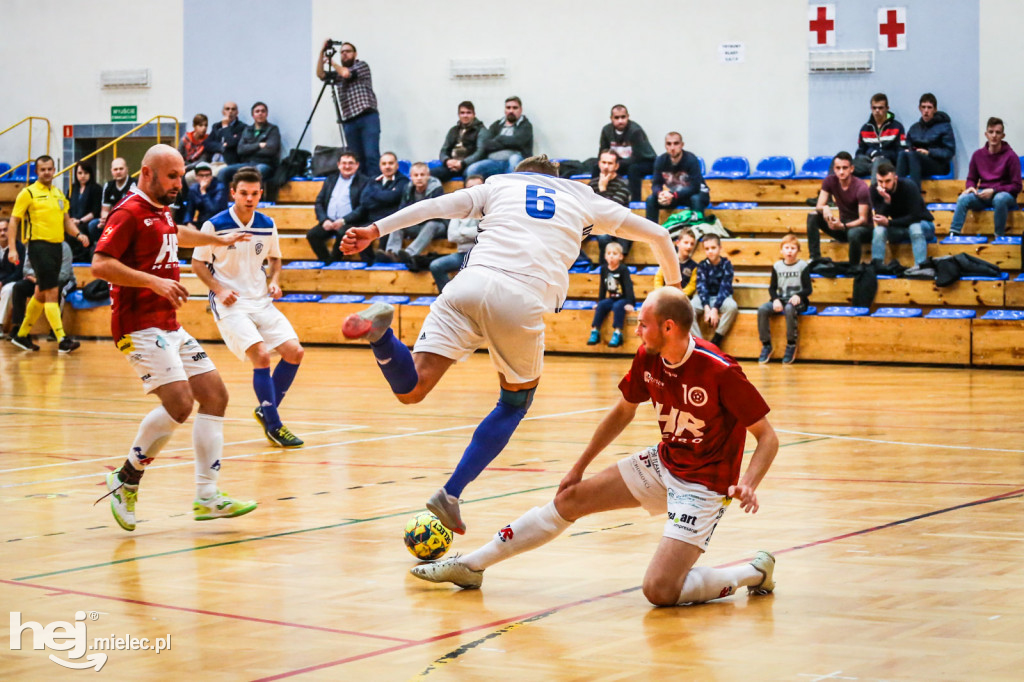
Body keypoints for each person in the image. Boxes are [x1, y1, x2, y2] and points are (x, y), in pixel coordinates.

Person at [339, 154, 682, 534]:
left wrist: (373, 230)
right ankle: (451, 492)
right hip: (520, 296)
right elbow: (661, 235)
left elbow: (433, 206)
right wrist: (674, 291)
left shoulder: (499, 184)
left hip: (468, 283)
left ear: (521, 175)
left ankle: (380, 334)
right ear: (555, 178)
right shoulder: (581, 196)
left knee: (413, 389)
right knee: (514, 402)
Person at [411, 288, 779, 609]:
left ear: (669, 328)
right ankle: (472, 565)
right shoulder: (648, 357)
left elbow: (767, 437)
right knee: (570, 499)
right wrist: (578, 467)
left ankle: (752, 572)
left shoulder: (719, 370)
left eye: (643, 324)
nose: (636, 330)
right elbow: (622, 412)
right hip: (665, 463)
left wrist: (748, 482)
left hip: (704, 486)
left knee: (660, 591)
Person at [91, 144, 257, 532]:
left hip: (167, 323)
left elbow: (171, 233)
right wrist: (153, 281)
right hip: (138, 323)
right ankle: (126, 479)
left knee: (215, 395)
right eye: (171, 176)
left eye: (181, 175)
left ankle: (207, 496)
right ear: (147, 173)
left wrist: (215, 242)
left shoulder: (159, 208)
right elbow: (100, 264)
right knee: (180, 404)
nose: (178, 183)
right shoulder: (129, 211)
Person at [192, 167, 305, 448]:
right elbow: (197, 264)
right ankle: (274, 425)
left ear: (260, 194)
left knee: (294, 352)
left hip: (261, 300)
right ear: (233, 193)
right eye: (244, 193)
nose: (249, 198)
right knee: (262, 356)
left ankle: (266, 409)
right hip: (231, 304)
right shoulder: (214, 225)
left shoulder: (266, 224)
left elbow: (275, 259)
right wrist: (219, 289)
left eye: (254, 194)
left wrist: (275, 281)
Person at [7, 155, 88, 352]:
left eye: (50, 169)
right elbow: (14, 221)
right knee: (52, 291)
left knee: (41, 294)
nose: (46, 172)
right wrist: (11, 248)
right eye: (42, 169)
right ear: (37, 172)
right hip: (38, 247)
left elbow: (66, 221)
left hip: (57, 247)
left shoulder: (59, 194)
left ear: (54, 170)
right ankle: (62, 339)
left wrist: (78, 235)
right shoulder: (28, 193)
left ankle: (21, 335)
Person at [317, 40, 380, 178]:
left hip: (367, 116)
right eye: (342, 52)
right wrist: (322, 52)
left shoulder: (361, 66)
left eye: (348, 51)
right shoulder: (338, 73)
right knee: (356, 159)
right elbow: (321, 75)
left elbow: (346, 74)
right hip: (349, 121)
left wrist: (331, 62)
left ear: (355, 54)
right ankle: (362, 191)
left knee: (371, 156)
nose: (344, 54)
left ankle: (375, 188)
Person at [950, 117, 1021, 237]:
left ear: (1003, 135)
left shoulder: (1011, 156)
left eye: (998, 132)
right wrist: (971, 187)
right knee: (963, 198)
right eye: (991, 132)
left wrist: (994, 190)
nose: (994, 135)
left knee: (999, 199)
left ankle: (999, 235)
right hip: (983, 195)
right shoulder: (977, 155)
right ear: (986, 134)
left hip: (1004, 195)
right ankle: (954, 234)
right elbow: (971, 178)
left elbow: (1016, 186)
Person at [806, 151, 872, 262]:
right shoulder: (829, 181)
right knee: (813, 216)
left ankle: (854, 266)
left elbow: (863, 220)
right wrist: (825, 208)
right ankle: (814, 257)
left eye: (845, 168)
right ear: (834, 169)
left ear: (851, 169)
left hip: (863, 230)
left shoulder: (861, 187)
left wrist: (842, 225)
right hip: (843, 227)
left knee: (853, 233)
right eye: (838, 168)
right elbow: (819, 206)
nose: (841, 172)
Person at [757, 234, 812, 365]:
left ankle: (791, 344)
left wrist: (799, 295)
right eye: (786, 248)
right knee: (763, 310)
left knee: (789, 308)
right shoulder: (777, 266)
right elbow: (772, 288)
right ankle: (766, 345)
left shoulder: (803, 266)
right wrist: (775, 299)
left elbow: (808, 289)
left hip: (797, 302)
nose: (789, 251)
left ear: (798, 251)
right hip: (781, 300)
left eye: (793, 248)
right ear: (781, 250)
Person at [306, 151, 368, 263]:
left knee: (343, 233)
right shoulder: (330, 180)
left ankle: (335, 262)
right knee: (312, 235)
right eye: (344, 163)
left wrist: (343, 221)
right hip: (329, 222)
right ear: (338, 164)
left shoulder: (364, 182)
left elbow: (363, 207)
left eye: (351, 163)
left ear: (357, 165)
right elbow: (319, 202)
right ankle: (326, 261)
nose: (347, 166)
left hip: (350, 222)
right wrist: (324, 220)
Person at [382, 162, 446, 268]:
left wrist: (414, 216)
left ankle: (410, 253)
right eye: (416, 175)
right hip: (416, 223)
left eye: (422, 175)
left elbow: (436, 214)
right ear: (411, 177)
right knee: (397, 222)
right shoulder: (408, 188)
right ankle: (392, 253)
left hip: (437, 225)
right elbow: (402, 210)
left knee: (432, 224)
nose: (419, 178)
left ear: (428, 176)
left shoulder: (436, 189)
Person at [870, 161, 935, 267]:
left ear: (895, 178)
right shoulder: (874, 189)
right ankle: (877, 267)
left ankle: (920, 267)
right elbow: (880, 218)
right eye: (880, 181)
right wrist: (886, 200)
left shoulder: (909, 186)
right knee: (878, 230)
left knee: (914, 228)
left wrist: (890, 223)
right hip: (899, 228)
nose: (883, 185)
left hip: (924, 225)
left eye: (887, 181)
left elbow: (915, 217)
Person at [429, 174, 483, 293]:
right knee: (436, 265)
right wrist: (472, 233)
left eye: (477, 187)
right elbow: (452, 236)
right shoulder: (460, 208)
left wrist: (462, 232)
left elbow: (484, 232)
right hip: (462, 254)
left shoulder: (488, 209)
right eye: (469, 188)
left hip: (482, 255)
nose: (473, 191)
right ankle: (448, 299)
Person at [596, 104, 657, 202]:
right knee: (598, 166)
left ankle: (634, 201)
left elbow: (639, 156)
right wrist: (606, 164)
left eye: (623, 117)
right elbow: (603, 152)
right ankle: (596, 197)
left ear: (628, 117)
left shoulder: (635, 131)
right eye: (616, 117)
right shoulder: (606, 130)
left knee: (633, 170)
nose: (620, 120)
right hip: (620, 162)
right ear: (611, 118)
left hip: (645, 161)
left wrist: (616, 164)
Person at [645, 132, 709, 224]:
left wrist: (672, 195)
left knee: (696, 199)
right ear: (665, 146)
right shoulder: (660, 160)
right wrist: (660, 194)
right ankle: (651, 234)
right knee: (651, 199)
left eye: (676, 143)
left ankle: (696, 230)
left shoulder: (691, 159)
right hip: (674, 195)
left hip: (696, 194)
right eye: (669, 144)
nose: (672, 148)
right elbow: (656, 184)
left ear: (682, 145)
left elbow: (695, 187)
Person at [359, 152, 409, 264]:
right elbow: (364, 201)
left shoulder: (403, 181)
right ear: (380, 166)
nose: (387, 166)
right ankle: (370, 264)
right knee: (360, 233)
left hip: (390, 220)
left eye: (391, 163)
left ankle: (381, 264)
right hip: (372, 220)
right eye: (384, 163)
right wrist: (384, 197)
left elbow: (392, 197)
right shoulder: (373, 180)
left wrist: (374, 194)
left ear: (397, 165)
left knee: (386, 231)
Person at [466, 97, 534, 179]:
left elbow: (518, 142)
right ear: (505, 110)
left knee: (514, 159)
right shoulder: (496, 125)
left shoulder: (526, 126)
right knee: (472, 169)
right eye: (508, 108)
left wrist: (499, 139)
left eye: (515, 108)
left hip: (515, 161)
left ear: (521, 110)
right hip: (494, 162)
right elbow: (486, 144)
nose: (511, 111)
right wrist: (509, 142)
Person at [896, 93, 956, 187]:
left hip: (937, 164)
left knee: (914, 156)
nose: (926, 111)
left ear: (935, 109)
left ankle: (914, 196)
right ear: (919, 108)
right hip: (915, 161)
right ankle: (898, 193)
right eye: (923, 107)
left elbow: (949, 152)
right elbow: (906, 146)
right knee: (902, 154)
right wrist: (908, 150)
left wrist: (929, 152)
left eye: (929, 107)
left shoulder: (945, 127)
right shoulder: (914, 128)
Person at [218, 102, 281, 187]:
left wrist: (249, 148)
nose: (260, 113)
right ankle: (222, 200)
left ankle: (254, 199)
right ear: (253, 115)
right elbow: (240, 150)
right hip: (246, 164)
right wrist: (258, 145)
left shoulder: (273, 129)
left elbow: (271, 150)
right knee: (223, 172)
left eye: (263, 111)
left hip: (265, 164)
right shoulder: (247, 129)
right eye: (257, 111)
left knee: (258, 171)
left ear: (267, 114)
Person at [586, 242, 635, 348]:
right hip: (612, 298)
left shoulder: (623, 269)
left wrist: (631, 303)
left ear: (621, 256)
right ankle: (595, 331)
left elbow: (628, 287)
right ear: (605, 256)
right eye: (609, 253)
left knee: (618, 306)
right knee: (602, 305)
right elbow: (602, 287)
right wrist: (599, 302)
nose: (611, 256)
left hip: (623, 299)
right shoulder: (604, 269)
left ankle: (617, 332)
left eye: (615, 253)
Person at [691, 234, 736, 347]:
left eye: (713, 248)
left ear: (720, 248)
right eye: (707, 249)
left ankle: (716, 340)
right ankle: (700, 343)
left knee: (732, 307)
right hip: (704, 298)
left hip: (721, 298)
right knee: (689, 308)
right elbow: (701, 287)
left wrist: (715, 309)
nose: (710, 251)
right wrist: (707, 307)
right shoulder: (702, 265)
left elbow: (724, 288)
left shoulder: (727, 265)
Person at [590, 150, 633, 267]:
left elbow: (612, 210)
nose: (606, 166)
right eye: (603, 162)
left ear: (616, 166)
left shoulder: (624, 183)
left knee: (604, 236)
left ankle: (607, 269)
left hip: (619, 223)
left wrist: (603, 189)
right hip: (598, 223)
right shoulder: (593, 184)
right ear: (599, 164)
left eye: (610, 163)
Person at [431, 101, 491, 183]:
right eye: (462, 113)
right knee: (430, 174)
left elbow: (480, 152)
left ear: (474, 114)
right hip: (451, 165)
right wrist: (447, 161)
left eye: (468, 113)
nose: (465, 115)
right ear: (458, 115)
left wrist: (462, 163)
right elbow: (444, 150)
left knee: (470, 176)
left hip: (469, 165)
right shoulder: (453, 130)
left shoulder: (481, 131)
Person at [854, 93, 905, 178]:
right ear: (871, 108)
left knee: (878, 162)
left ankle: (875, 191)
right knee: (841, 161)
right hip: (869, 163)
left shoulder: (897, 127)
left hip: (888, 164)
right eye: (874, 108)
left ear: (887, 108)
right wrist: (872, 154)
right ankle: (830, 190)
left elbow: (901, 152)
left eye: (880, 108)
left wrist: (882, 155)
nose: (877, 110)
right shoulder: (865, 128)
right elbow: (860, 152)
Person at [88, 157, 136, 246]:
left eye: (121, 169)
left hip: (130, 220)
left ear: (127, 169)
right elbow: (105, 210)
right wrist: (104, 220)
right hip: (112, 221)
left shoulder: (134, 184)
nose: (118, 171)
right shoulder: (108, 186)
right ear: (111, 171)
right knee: (93, 225)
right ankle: (103, 249)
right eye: (115, 169)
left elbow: (135, 210)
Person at [67, 161, 102, 262]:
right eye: (80, 173)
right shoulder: (72, 188)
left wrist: (80, 220)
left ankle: (82, 258)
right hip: (72, 221)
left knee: (81, 228)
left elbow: (95, 211)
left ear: (90, 174)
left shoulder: (96, 188)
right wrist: (70, 219)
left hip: (87, 222)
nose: (83, 176)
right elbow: (67, 207)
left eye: (86, 173)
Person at [183, 162, 228, 231]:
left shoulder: (220, 187)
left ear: (211, 176)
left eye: (207, 175)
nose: (204, 178)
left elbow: (213, 210)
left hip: (219, 222)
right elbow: (189, 209)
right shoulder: (194, 189)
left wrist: (203, 192)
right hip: (202, 222)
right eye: (201, 175)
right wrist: (188, 223)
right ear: (196, 177)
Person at [653, 228, 699, 295]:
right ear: (678, 243)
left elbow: (691, 286)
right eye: (686, 243)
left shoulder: (694, 266)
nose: (689, 246)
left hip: (683, 297)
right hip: (665, 295)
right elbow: (658, 278)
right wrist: (660, 292)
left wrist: (680, 294)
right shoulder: (668, 260)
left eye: (692, 244)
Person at [0, 218, 26, 336]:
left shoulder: (19, 247)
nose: (2, 233)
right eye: (0, 230)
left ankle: (0, 325)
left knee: (8, 290)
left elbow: (19, 272)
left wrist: (3, 282)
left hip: (12, 281)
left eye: (5, 230)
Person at [207, 101, 246, 169]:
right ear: (223, 112)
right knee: (190, 176)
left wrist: (225, 127)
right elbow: (207, 144)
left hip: (229, 163)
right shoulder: (217, 126)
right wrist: (221, 146)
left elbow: (232, 143)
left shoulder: (242, 127)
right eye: (227, 109)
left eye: (233, 109)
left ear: (237, 113)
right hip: (213, 162)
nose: (230, 111)